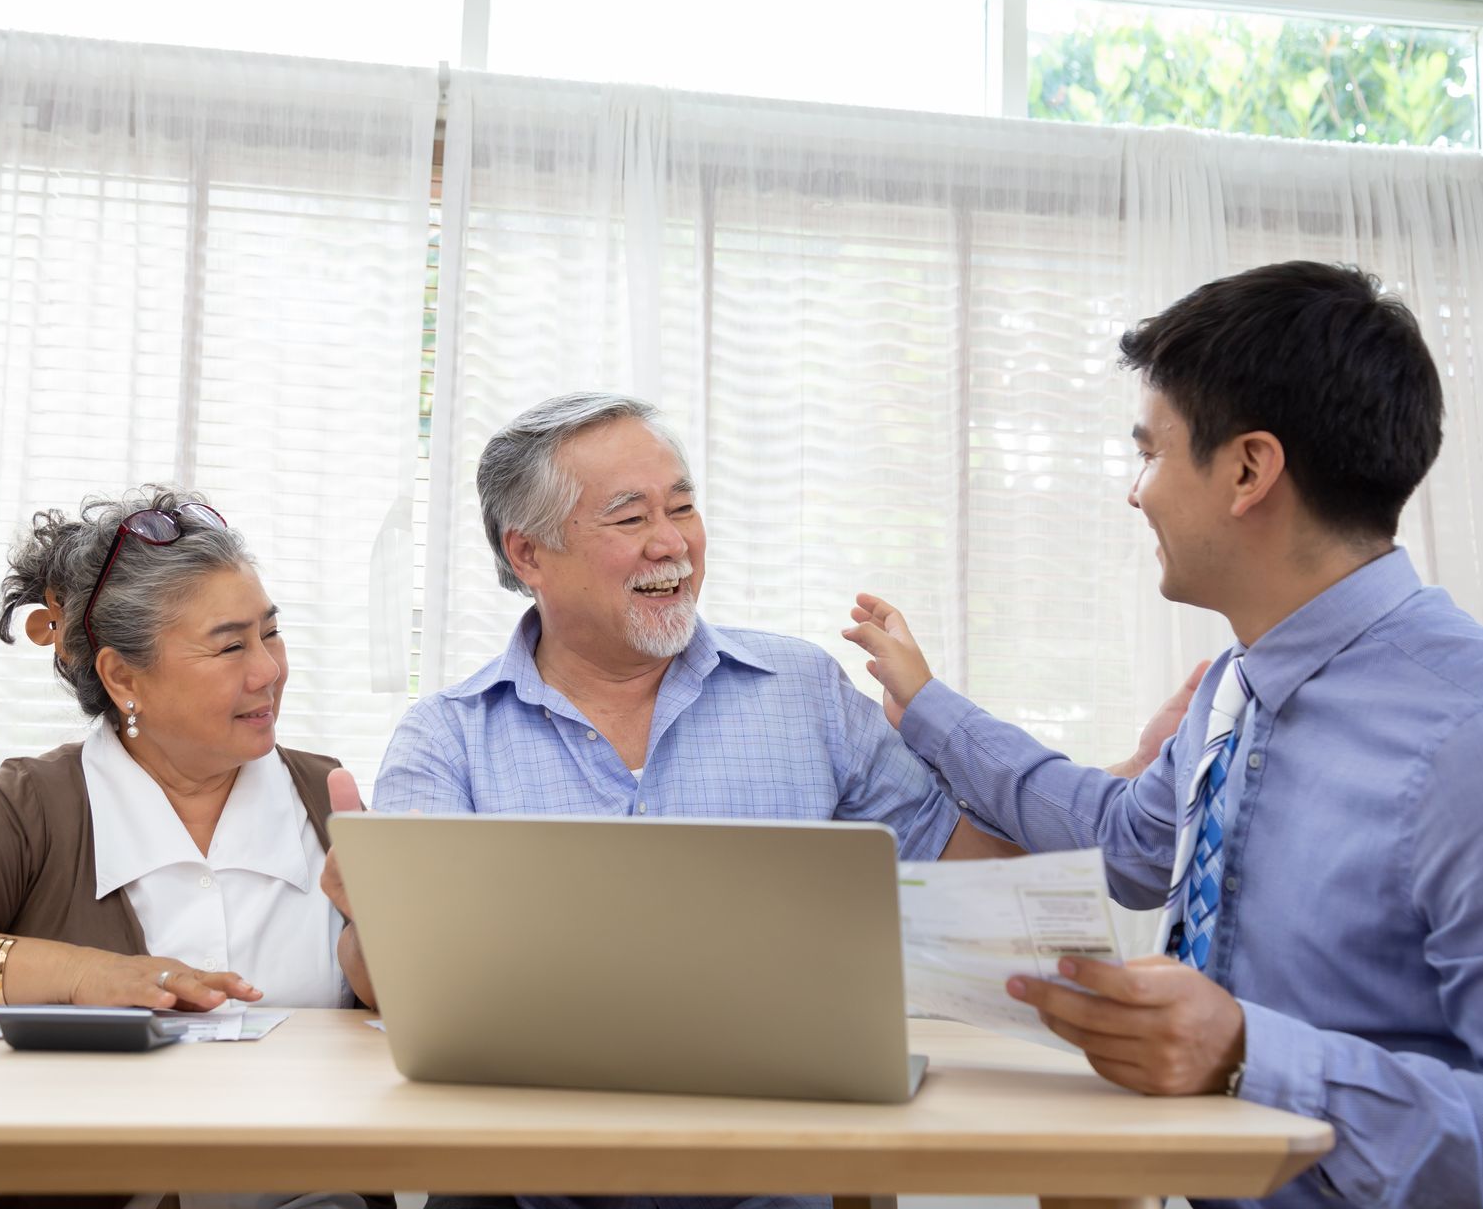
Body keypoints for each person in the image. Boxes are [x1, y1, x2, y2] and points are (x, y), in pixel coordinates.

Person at [842, 261, 1483, 1208]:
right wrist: (931, 710)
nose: (1137, 493)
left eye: (1151, 453)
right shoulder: (1234, 687)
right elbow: (1131, 844)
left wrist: (1253, 1056)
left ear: (1249, 470)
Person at [321, 392, 1197, 1209]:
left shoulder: (802, 690)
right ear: (527, 554)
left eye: (683, 506)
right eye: (630, 518)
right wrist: (376, 919)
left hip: (780, 1179)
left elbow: (969, 877)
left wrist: (1120, 799)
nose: (672, 542)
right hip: (524, 1184)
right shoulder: (448, 735)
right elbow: (384, 987)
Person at [0, 486, 372, 1209]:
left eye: (271, 633)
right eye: (229, 645)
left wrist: (391, 940)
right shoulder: (37, 804)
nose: (269, 670)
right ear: (123, 677)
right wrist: (83, 974)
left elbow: (404, 1020)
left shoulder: (328, 797)